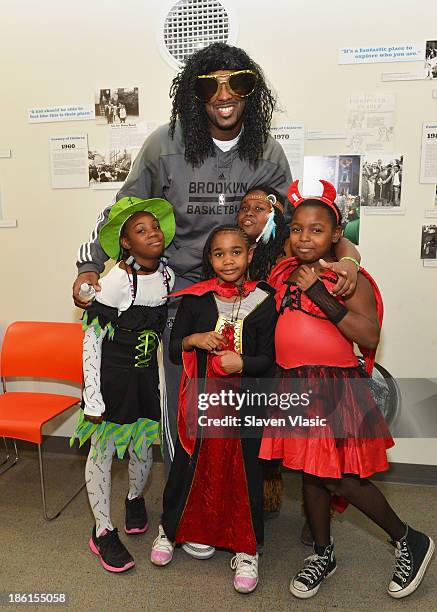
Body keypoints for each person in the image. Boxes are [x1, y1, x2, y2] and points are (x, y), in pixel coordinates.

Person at [73, 43, 359, 467]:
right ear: (195, 93)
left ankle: (235, 498)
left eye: (237, 83)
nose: (224, 96)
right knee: (182, 399)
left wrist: (349, 254)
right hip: (183, 292)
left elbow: (303, 226)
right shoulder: (164, 145)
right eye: (211, 86)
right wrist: (90, 266)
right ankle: (181, 503)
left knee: (240, 399)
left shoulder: (267, 152)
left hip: (247, 294)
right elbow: (124, 210)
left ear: (251, 91)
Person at [259, 180, 434, 600]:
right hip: (293, 384)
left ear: (336, 234)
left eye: (316, 229)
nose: (305, 237)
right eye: (297, 228)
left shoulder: (346, 278)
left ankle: (409, 538)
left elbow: (369, 334)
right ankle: (323, 552)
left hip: (333, 388)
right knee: (311, 477)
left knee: (342, 480)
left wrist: (322, 290)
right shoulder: (284, 272)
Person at [150, 225, 277, 594]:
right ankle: (171, 530)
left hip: (246, 405)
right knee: (190, 466)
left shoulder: (265, 300)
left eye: (236, 252)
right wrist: (195, 339)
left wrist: (244, 364)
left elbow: (268, 360)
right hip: (203, 402)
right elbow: (175, 349)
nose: (228, 260)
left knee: (244, 473)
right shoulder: (195, 299)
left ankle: (247, 548)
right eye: (219, 254)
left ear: (250, 255)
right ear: (210, 259)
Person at [70, 197, 176, 573]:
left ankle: (134, 498)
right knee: (102, 453)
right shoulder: (117, 281)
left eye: (155, 227)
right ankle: (102, 530)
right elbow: (91, 338)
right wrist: (93, 396)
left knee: (143, 451)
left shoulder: (167, 277)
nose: (153, 234)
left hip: (144, 381)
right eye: (141, 230)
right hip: (111, 382)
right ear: (125, 243)